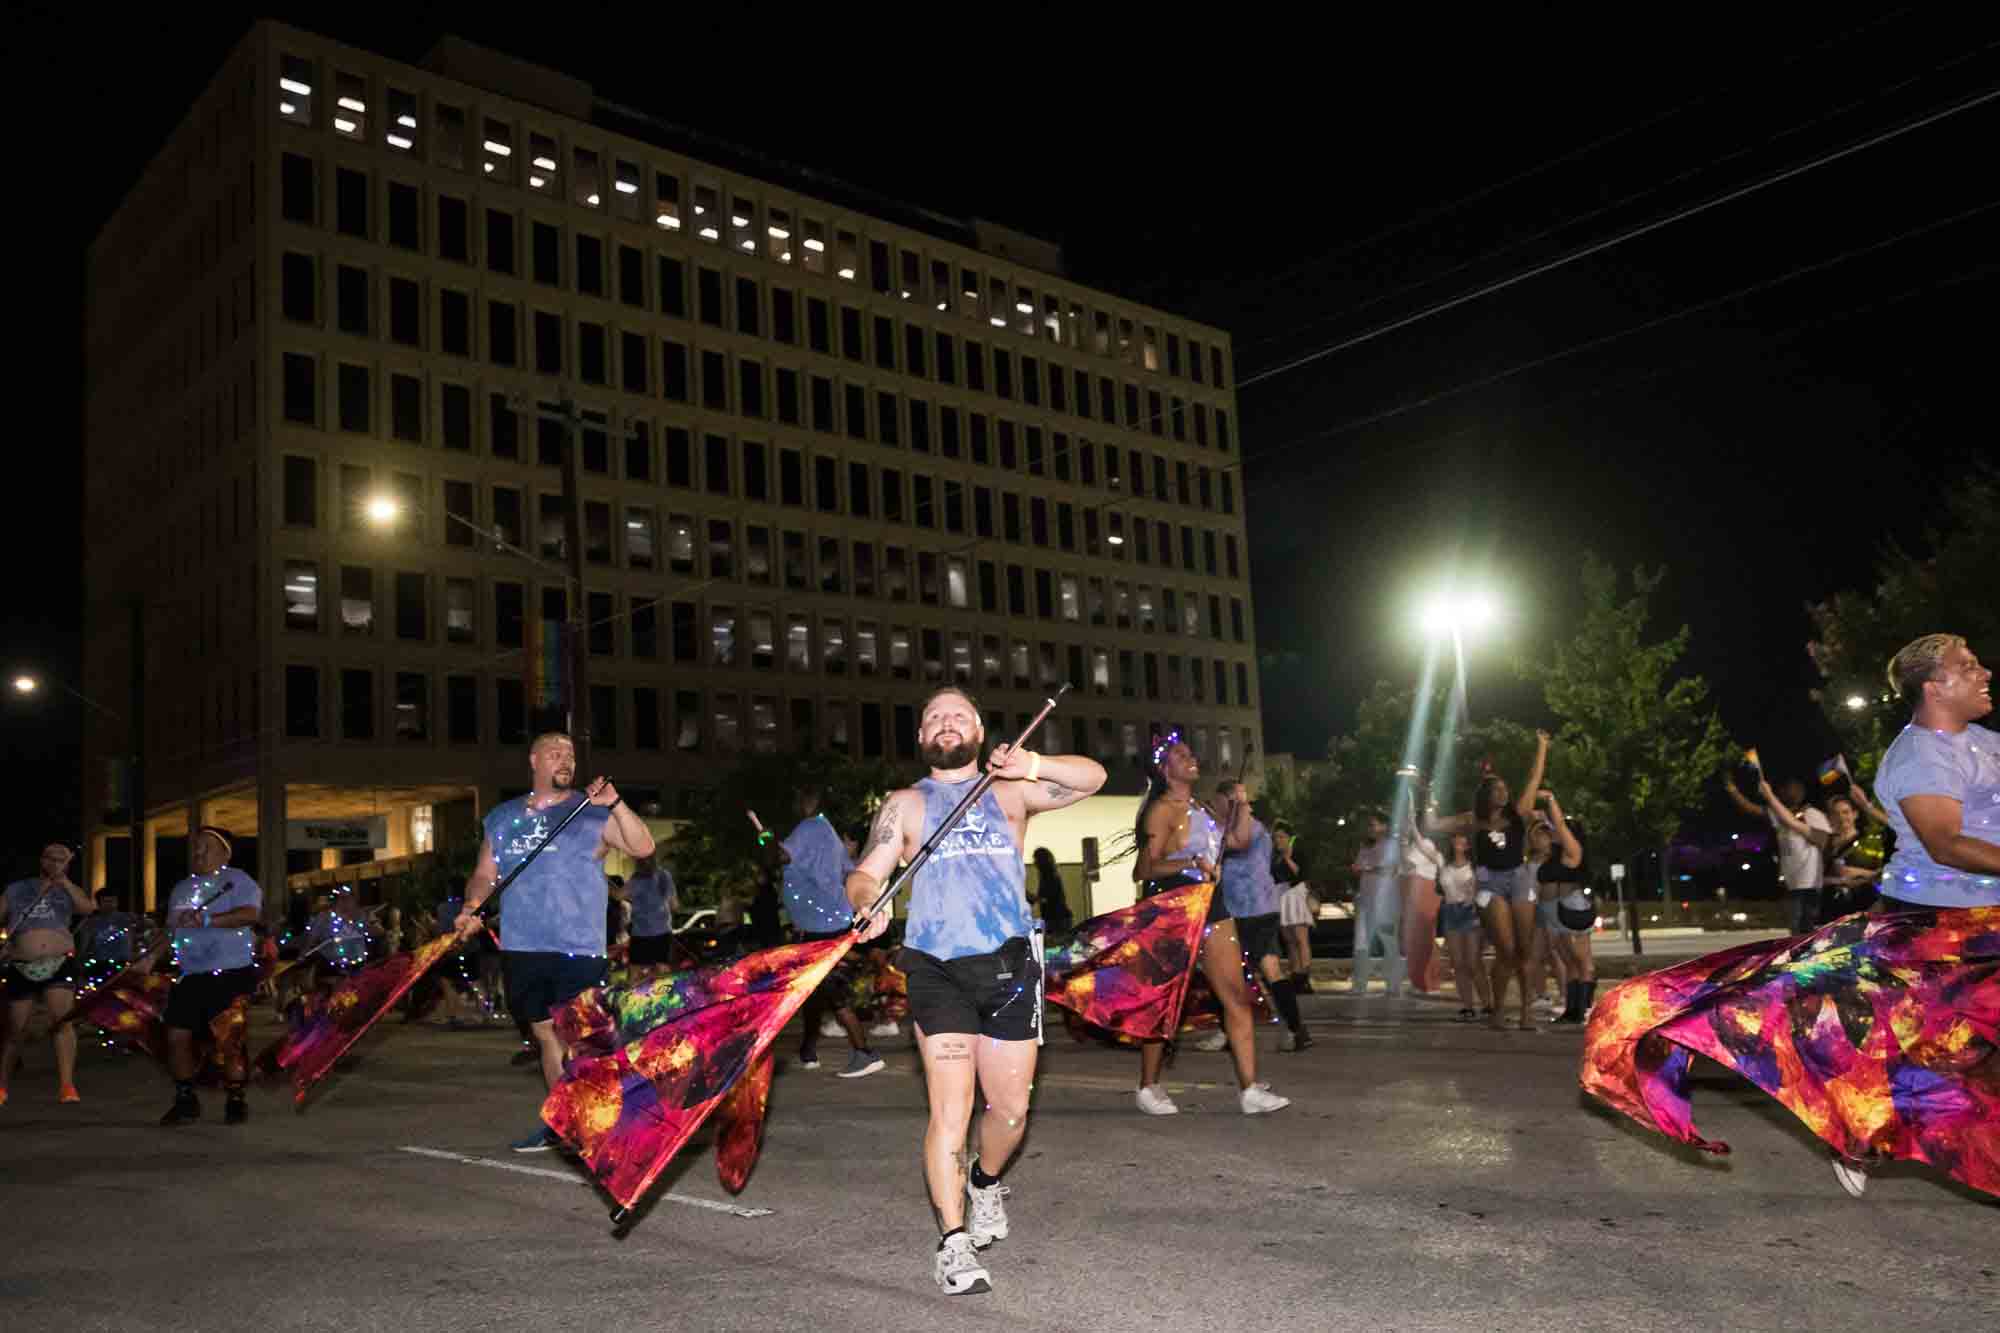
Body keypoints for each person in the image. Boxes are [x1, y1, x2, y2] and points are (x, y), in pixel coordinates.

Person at [843, 686, 1105, 1296]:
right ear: (921, 737)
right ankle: (953, 1244)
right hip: (937, 968)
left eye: (958, 714)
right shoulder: (906, 804)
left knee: (1010, 1111)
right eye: (934, 715)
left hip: (1011, 965)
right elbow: (864, 873)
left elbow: (1094, 778)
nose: (946, 722)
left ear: (980, 731)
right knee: (949, 1112)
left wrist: (1033, 763)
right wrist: (867, 903)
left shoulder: (1011, 790)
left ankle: (986, 1184)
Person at [453, 732, 656, 1152]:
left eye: (570, 754)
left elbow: (643, 845)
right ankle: (563, 1121)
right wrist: (473, 904)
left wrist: (615, 804)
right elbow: (485, 872)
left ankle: (598, 1125)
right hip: (522, 946)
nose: (565, 759)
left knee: (579, 1039)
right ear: (534, 760)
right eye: (555, 752)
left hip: (578, 946)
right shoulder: (503, 817)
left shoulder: (591, 812)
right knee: (547, 1038)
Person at [1131, 732, 1288, 1116]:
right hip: (1173, 908)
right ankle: (1149, 1086)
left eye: (1190, 753)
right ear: (1165, 769)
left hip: (1212, 906)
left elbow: (1237, 841)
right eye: (1180, 755)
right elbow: (1144, 868)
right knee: (1165, 1001)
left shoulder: (1201, 807)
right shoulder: (1162, 811)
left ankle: (1250, 1089)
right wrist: (1189, 864)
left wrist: (1241, 804)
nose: (1191, 758)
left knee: (1236, 996)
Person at [1426, 729, 1552, 1031]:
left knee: (1524, 949)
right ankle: (1496, 1010)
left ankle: (1525, 1012)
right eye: (1497, 790)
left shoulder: (1519, 813)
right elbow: (1432, 824)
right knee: (1506, 950)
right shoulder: (1474, 820)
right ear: (1486, 795)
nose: (1503, 793)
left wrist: (1542, 746)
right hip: (1489, 883)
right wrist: (1427, 795)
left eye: (1505, 789)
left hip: (1520, 878)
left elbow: (1534, 779)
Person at [1871, 634, 1999, 912]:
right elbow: (1946, 846)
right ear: (1934, 689)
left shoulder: (1984, 739)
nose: (1985, 673)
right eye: (1968, 667)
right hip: (1939, 916)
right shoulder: (1921, 755)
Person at [157, 827, 262, 1125]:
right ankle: (185, 1098)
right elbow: (171, 930)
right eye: (196, 848)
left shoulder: (237, 880)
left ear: (224, 853)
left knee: (229, 1040)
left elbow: (250, 914)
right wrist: (150, 957)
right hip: (190, 975)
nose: (199, 853)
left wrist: (207, 919)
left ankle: (235, 1097)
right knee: (176, 1035)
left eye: (206, 847)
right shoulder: (181, 889)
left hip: (230, 973)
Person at [775, 785, 881, 1077]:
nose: (796, 802)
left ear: (810, 799)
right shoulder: (828, 831)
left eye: (799, 797)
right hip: (830, 922)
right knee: (814, 991)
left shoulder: (809, 826)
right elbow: (850, 869)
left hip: (820, 926)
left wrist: (765, 840)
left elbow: (781, 856)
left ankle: (864, 1052)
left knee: (833, 992)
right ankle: (808, 1051)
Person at [1217, 783, 1310, 1052]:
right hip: (1263, 906)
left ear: (1230, 801)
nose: (1218, 807)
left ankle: (1228, 1032)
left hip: (1247, 908)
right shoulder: (1253, 827)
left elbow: (1231, 847)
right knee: (1270, 970)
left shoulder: (1245, 828)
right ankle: (1296, 1028)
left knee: (1222, 971)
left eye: (1220, 801)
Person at [1, 844, 95, 1107]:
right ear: (41, 860)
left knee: (62, 1020)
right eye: (51, 858)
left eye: (61, 860)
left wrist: (64, 882)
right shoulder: (18, 888)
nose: (55, 863)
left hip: (59, 961)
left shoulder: (68, 889)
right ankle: (2, 1085)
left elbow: (87, 908)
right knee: (15, 1028)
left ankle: (67, 1085)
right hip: (22, 964)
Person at [1725, 768, 1831, 934]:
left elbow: (1822, 840)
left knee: (1806, 926)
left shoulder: (1812, 814)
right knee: (1795, 927)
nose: (1790, 792)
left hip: (1810, 882)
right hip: (1791, 881)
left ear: (1802, 791)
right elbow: (1752, 809)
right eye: (1786, 789)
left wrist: (1769, 796)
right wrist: (1733, 791)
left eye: (1794, 788)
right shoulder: (1779, 816)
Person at [1528, 793, 1593, 1024]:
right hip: (1551, 910)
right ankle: (1572, 1010)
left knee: (1580, 959)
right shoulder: (1553, 856)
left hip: (1570, 907)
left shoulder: (1572, 851)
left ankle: (1583, 1009)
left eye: (1558, 830)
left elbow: (1560, 825)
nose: (1553, 831)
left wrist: (1552, 800)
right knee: (1568, 961)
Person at [1436, 833, 1493, 1021]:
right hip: (1450, 913)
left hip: (1470, 913)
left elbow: (1487, 890)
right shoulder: (1443, 864)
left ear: (1468, 845)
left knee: (1473, 962)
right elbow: (1421, 843)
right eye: (1455, 838)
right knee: (1458, 964)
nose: (1458, 842)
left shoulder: (1476, 867)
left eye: (1463, 839)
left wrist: (1478, 906)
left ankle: (1488, 1005)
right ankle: (1467, 1007)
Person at [1348, 811, 1404, 998]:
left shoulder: (1391, 846)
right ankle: (1359, 985)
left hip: (1385, 903)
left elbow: (1391, 868)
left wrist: (1368, 868)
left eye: (1374, 825)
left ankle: (1393, 985)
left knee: (1389, 943)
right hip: (1365, 902)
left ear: (1384, 827)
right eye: (1370, 825)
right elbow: (1357, 867)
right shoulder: (1365, 847)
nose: (1370, 829)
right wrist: (1360, 868)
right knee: (1361, 945)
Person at [1399, 811, 1443, 994]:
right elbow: (1405, 866)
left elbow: (1432, 860)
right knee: (1412, 938)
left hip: (1425, 891)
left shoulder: (1427, 844)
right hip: (1409, 890)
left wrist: (1413, 828)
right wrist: (1402, 843)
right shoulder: (1409, 845)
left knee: (1426, 937)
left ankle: (1430, 981)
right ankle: (1417, 980)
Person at [1273, 825, 1316, 993]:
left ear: (1290, 837)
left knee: (1301, 938)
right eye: (1276, 837)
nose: (1278, 840)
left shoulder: (1297, 852)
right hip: (1281, 895)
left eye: (1282, 836)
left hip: (1296, 895)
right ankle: (1295, 972)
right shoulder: (1274, 856)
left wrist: (1287, 858)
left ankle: (1304, 976)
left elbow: (1299, 874)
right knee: (1289, 940)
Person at [624, 855, 677, 973]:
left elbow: (619, 895)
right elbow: (674, 905)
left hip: (641, 933)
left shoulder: (637, 878)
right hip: (663, 932)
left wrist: (604, 879)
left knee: (635, 972)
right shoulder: (665, 875)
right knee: (662, 972)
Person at [1031, 848, 1074, 938]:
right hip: (1056, 919)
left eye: (1036, 859)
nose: (1034, 863)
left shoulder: (1049, 877)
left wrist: (1033, 898)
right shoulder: (1048, 876)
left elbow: (1049, 899)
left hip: (1057, 920)